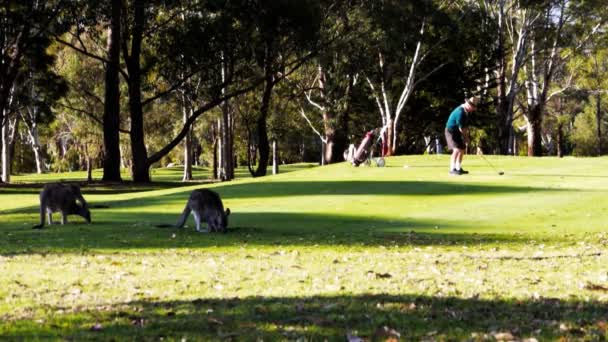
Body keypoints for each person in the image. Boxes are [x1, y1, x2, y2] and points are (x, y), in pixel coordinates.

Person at [445, 96, 478, 175]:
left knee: (462, 148)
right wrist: (466, 138)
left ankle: (458, 168)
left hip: (457, 132)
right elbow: (461, 128)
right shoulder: (460, 112)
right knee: (456, 149)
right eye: (472, 107)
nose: (473, 109)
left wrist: (466, 137)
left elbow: (464, 127)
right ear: (468, 105)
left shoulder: (466, 112)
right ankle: (452, 169)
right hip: (451, 131)